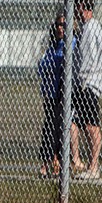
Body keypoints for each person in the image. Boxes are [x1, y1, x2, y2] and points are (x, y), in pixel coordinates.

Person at [70, 0, 102, 180]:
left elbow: (91, 58)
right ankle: (78, 162)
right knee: (76, 123)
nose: (76, 10)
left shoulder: (92, 27)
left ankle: (94, 167)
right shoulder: (84, 28)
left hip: (89, 84)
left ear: (84, 8)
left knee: (91, 126)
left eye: (78, 6)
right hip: (81, 83)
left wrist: (85, 83)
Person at [37, 14, 67, 178]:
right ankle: (46, 163)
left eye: (63, 25)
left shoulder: (69, 45)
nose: (60, 28)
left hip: (62, 94)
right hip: (50, 94)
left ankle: (58, 163)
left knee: (59, 129)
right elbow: (42, 67)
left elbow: (60, 65)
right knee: (48, 128)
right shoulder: (51, 47)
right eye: (58, 25)